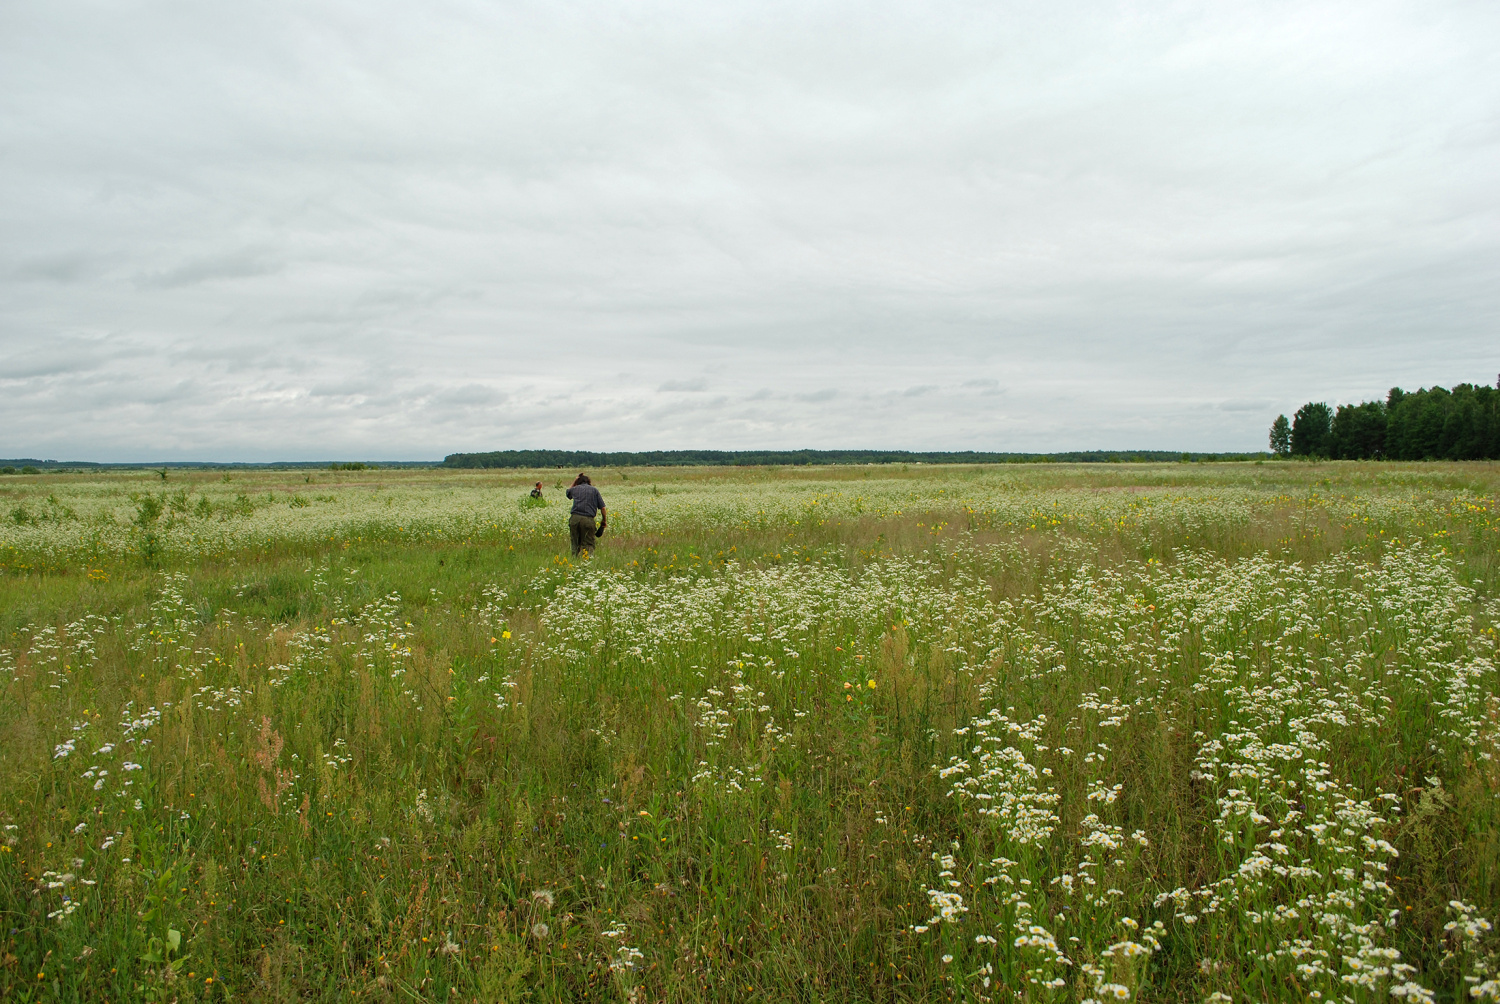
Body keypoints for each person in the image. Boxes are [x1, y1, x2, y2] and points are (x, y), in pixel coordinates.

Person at [565, 473, 606, 557]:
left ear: (578, 482)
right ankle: (587, 564)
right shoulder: (594, 490)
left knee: (575, 544)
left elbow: (568, 493)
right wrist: (604, 520)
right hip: (588, 520)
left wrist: (575, 480)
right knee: (588, 544)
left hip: (574, 519)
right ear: (589, 481)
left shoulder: (575, 489)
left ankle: (574, 562)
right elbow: (603, 508)